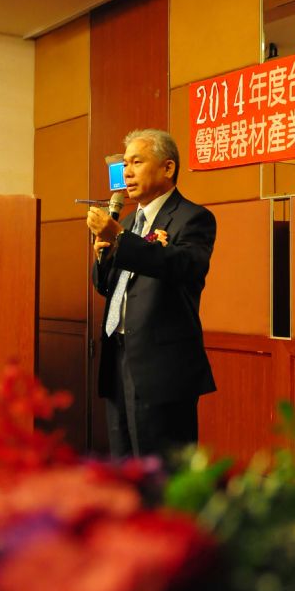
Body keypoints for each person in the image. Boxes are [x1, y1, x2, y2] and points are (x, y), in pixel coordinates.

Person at [86, 128, 216, 459]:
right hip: (117, 356)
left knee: (162, 468)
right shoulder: (129, 222)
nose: (127, 172)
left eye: (137, 162)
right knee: (124, 463)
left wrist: (119, 238)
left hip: (161, 367)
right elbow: (106, 287)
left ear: (167, 167)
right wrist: (102, 256)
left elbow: (183, 266)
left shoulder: (193, 218)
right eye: (125, 164)